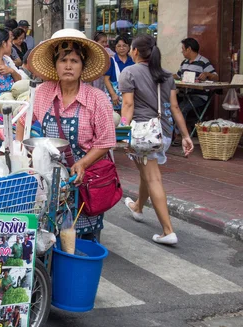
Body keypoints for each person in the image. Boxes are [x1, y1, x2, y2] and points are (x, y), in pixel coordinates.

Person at [16, 29, 116, 238]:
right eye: (63, 60)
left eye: (74, 61)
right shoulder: (43, 92)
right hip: (50, 182)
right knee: (49, 237)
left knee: (81, 241)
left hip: (84, 181)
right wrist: (20, 154)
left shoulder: (97, 99)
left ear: (83, 66)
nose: (68, 66)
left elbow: (105, 141)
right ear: (55, 65)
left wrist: (82, 163)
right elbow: (22, 123)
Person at [120, 34, 194, 245]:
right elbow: (175, 107)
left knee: (153, 177)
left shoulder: (129, 72)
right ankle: (138, 207)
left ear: (135, 51)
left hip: (143, 134)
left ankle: (168, 230)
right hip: (164, 132)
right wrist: (186, 135)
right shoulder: (166, 75)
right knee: (146, 170)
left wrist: (122, 132)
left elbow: (128, 106)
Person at [173, 38, 219, 145]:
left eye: (183, 49)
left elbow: (216, 77)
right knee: (170, 104)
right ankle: (177, 131)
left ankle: (181, 135)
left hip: (199, 96)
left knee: (180, 109)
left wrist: (207, 75)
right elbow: (179, 76)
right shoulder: (184, 62)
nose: (182, 51)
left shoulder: (203, 61)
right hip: (185, 94)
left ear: (189, 49)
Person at [104, 35, 135, 111]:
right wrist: (113, 94)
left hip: (130, 96)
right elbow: (106, 79)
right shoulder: (111, 61)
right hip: (116, 98)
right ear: (115, 48)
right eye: (119, 46)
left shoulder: (133, 61)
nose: (122, 48)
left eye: (124, 46)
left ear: (129, 47)